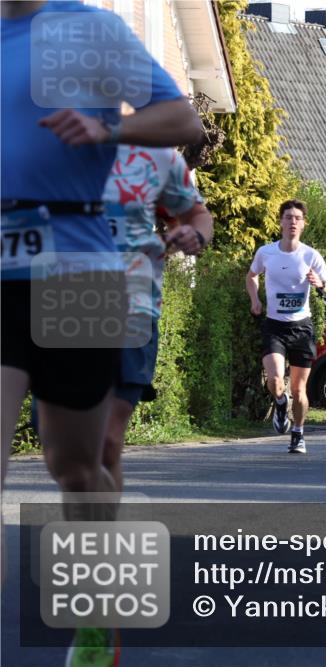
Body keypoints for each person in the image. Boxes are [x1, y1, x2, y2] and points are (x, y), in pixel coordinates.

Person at [1, 2, 203, 664]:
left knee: (77, 465)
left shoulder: (89, 29)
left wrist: (107, 127)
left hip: (79, 272)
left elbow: (183, 118)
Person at [102, 145, 213, 488]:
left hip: (135, 305)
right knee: (65, 442)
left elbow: (197, 216)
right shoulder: (50, 145)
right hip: (68, 303)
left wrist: (191, 234)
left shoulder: (154, 158)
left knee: (108, 439)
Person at [246, 200, 326, 453]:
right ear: (281, 222)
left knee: (298, 388)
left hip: (302, 329)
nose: (293, 222)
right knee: (275, 380)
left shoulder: (311, 255)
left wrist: (320, 283)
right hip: (274, 326)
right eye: (288, 217)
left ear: (303, 224)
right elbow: (251, 276)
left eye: (297, 218)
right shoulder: (266, 252)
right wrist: (255, 300)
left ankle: (298, 433)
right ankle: (279, 401)